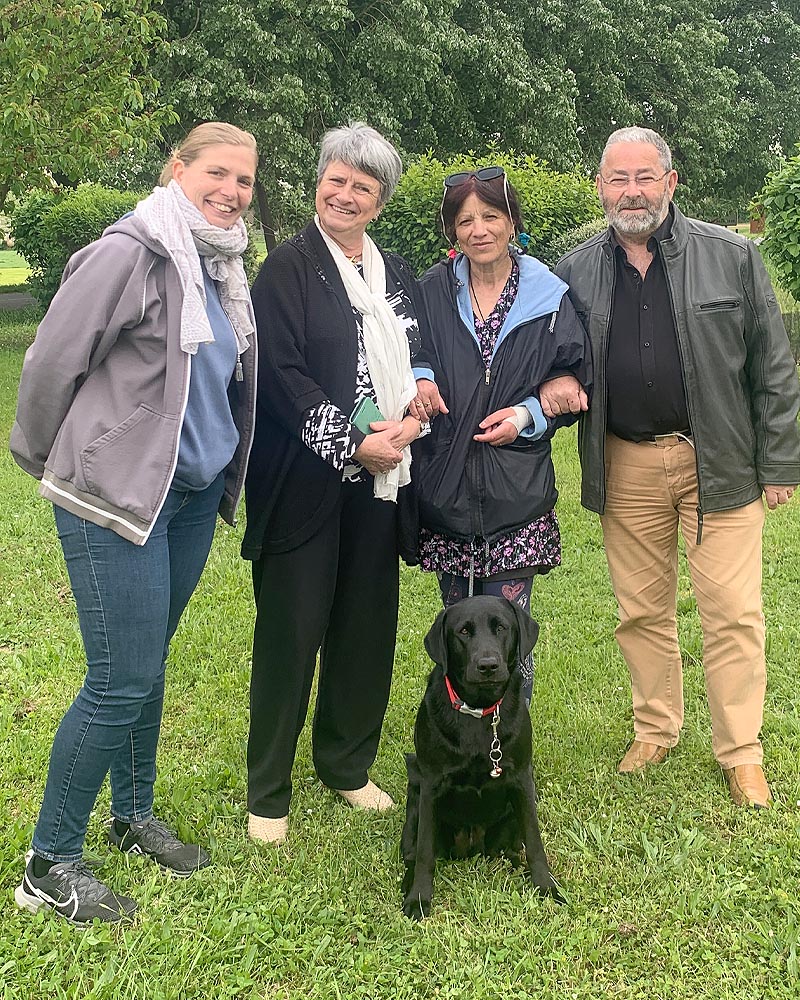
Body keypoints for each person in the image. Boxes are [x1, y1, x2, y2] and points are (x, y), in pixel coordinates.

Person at [10, 122, 259, 923]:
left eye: (245, 181)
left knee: (148, 663)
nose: (230, 192)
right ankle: (49, 864)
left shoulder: (222, 266)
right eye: (216, 173)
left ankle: (132, 815)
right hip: (115, 500)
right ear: (176, 170)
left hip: (184, 499)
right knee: (118, 681)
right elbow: (52, 359)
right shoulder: (132, 252)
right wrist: (56, 460)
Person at [549, 126, 800, 806]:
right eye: (617, 179)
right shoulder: (573, 273)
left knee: (733, 613)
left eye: (643, 177)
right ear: (600, 187)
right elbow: (553, 363)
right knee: (641, 611)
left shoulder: (733, 256)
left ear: (670, 182)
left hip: (718, 461)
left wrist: (780, 462)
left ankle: (741, 751)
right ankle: (656, 728)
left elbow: (775, 366)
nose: (631, 191)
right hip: (625, 462)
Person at [242, 123, 425, 845]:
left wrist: (406, 428)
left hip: (382, 485)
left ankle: (347, 767)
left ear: (379, 202)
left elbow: (420, 360)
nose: (345, 195)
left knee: (365, 627)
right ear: (318, 182)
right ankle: (269, 791)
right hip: (305, 479)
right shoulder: (285, 269)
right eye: (336, 180)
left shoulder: (398, 275)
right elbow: (282, 377)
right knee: (292, 630)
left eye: (362, 187)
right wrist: (355, 443)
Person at [410, 167, 591, 703]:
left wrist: (529, 414)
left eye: (490, 216)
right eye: (465, 220)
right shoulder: (430, 292)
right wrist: (420, 378)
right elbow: (406, 352)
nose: (478, 229)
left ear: (511, 221)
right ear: (452, 232)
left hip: (517, 494)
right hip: (447, 489)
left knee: (508, 633)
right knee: (459, 633)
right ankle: (460, 733)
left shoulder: (550, 296)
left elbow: (573, 378)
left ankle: (508, 742)